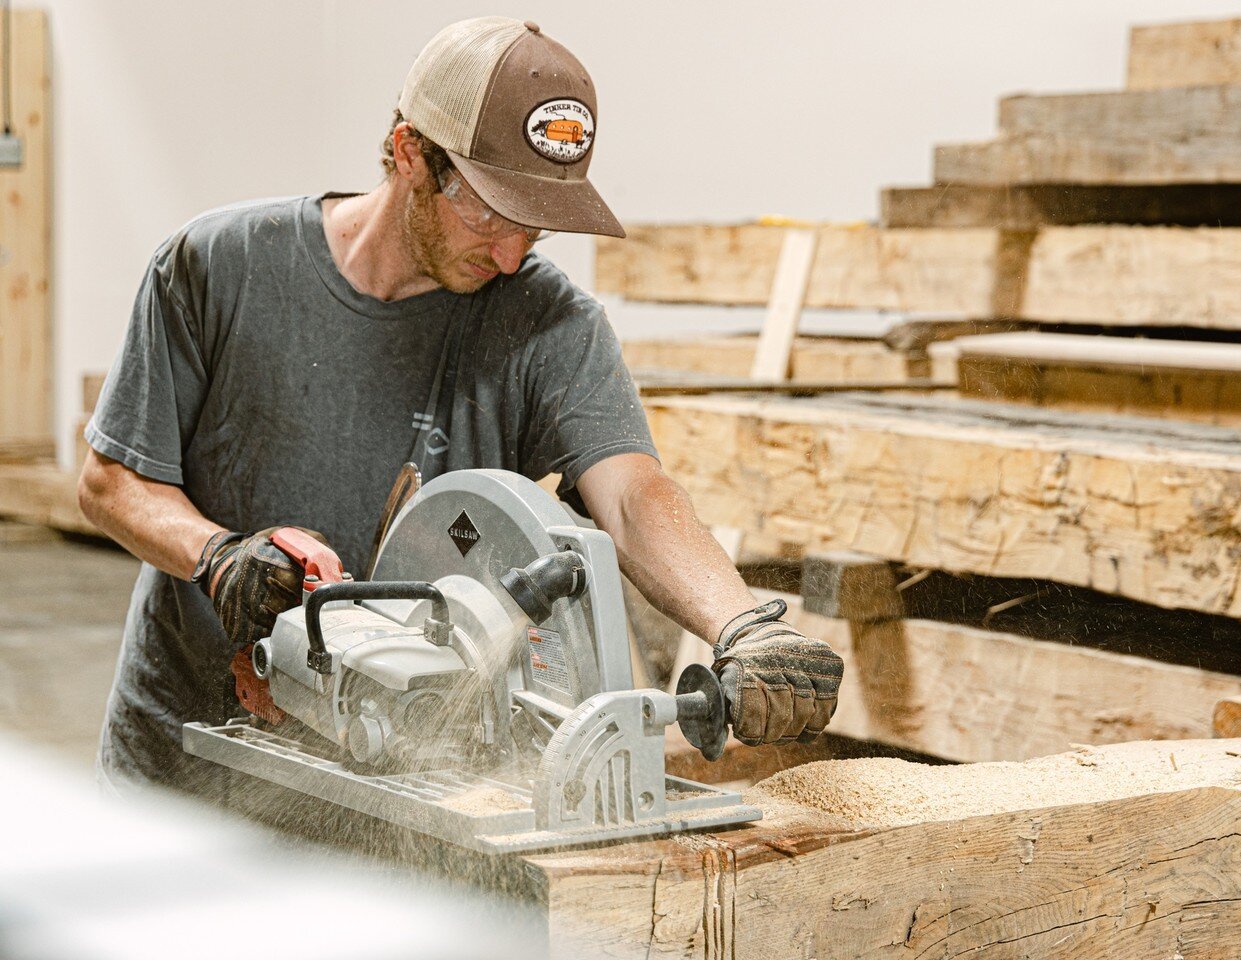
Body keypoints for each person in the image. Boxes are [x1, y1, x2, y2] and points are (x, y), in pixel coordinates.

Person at [79, 16, 843, 797]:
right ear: (412, 153)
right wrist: (215, 556)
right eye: (489, 215)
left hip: (408, 783)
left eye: (535, 228)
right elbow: (111, 481)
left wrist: (740, 623)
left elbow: (634, 497)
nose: (511, 255)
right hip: (182, 765)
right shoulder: (220, 266)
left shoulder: (547, 323)